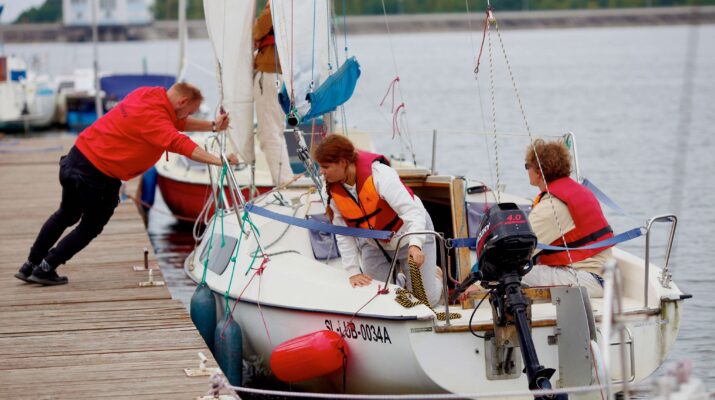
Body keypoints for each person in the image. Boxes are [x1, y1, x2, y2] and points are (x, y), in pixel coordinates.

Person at [14, 82, 237, 285]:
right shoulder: (156, 120)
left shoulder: (147, 94)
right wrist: (220, 161)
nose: (190, 115)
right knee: (90, 226)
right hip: (97, 176)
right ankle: (46, 267)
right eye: (191, 110)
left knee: (66, 214)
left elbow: (177, 121)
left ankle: (29, 265)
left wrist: (213, 126)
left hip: (76, 158)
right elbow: (180, 143)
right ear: (182, 102)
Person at [314, 135, 442, 307]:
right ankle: (402, 283)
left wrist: (416, 244)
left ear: (343, 162)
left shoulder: (380, 175)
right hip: (374, 245)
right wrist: (353, 272)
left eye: (325, 167)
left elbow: (413, 212)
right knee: (376, 299)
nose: (321, 172)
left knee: (426, 302)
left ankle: (435, 275)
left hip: (410, 235)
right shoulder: (330, 191)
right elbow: (343, 234)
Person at [522, 139, 613, 297]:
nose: (526, 170)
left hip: (587, 280)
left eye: (527, 166)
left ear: (538, 171)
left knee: (510, 276)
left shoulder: (550, 207)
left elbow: (518, 252)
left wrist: (478, 284)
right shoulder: (580, 192)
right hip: (604, 277)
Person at [253, 1, 293, 186]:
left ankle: (284, 183)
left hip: (272, 72)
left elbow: (257, 31)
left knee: (270, 132)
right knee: (274, 129)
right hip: (287, 72)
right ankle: (284, 180)